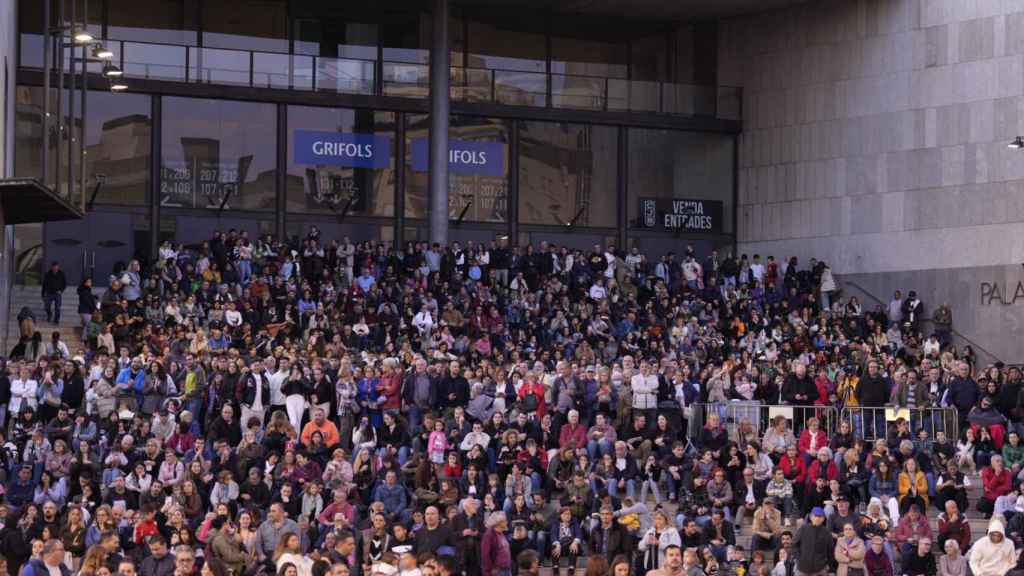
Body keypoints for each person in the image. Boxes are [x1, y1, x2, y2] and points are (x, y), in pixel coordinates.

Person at [790, 507, 831, 576]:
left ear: (823, 519)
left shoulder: (826, 532)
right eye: (815, 516)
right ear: (811, 517)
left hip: (820, 569)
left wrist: (827, 565)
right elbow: (794, 545)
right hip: (802, 569)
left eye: (820, 516)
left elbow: (830, 550)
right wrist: (799, 559)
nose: (817, 518)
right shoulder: (803, 529)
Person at [41, 261, 67, 325]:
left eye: (56, 267)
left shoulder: (61, 274)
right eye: (54, 267)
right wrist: (43, 294)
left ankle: (56, 320)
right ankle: (49, 314)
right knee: (46, 306)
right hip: (49, 293)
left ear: (58, 267)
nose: (55, 268)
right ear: (52, 267)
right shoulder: (48, 274)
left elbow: (65, 284)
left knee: (57, 308)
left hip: (57, 293)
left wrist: (61, 291)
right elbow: (44, 284)